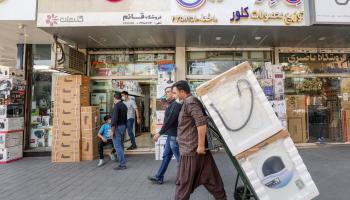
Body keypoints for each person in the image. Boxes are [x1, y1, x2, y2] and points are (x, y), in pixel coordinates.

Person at [172, 80, 227, 200]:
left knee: (183, 184)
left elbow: (201, 122)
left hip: (191, 151)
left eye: (175, 93)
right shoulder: (188, 102)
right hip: (195, 150)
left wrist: (201, 145)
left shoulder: (190, 102)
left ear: (182, 92)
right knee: (212, 180)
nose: (174, 95)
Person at [148, 86, 182, 184]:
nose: (166, 94)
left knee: (181, 159)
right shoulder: (171, 104)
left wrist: (159, 133)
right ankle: (159, 177)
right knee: (166, 156)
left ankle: (187, 177)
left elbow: (169, 121)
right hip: (170, 136)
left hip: (173, 136)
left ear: (173, 93)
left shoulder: (175, 105)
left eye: (168, 92)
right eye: (165, 92)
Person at [110, 92, 128, 170]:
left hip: (117, 127)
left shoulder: (117, 106)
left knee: (117, 146)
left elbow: (114, 120)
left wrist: (112, 131)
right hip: (123, 126)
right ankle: (122, 160)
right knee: (121, 144)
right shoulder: (124, 105)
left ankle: (122, 164)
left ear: (114, 98)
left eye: (113, 98)